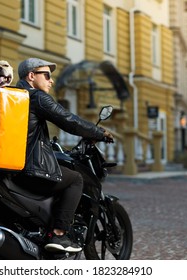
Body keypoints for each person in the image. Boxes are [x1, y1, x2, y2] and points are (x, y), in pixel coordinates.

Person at [14, 58, 113, 253]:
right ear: (31, 76)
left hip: (10, 165)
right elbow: (69, 121)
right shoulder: (36, 97)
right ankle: (60, 234)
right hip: (28, 168)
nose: (51, 81)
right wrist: (98, 133)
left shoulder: (14, 97)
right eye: (47, 75)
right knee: (75, 179)